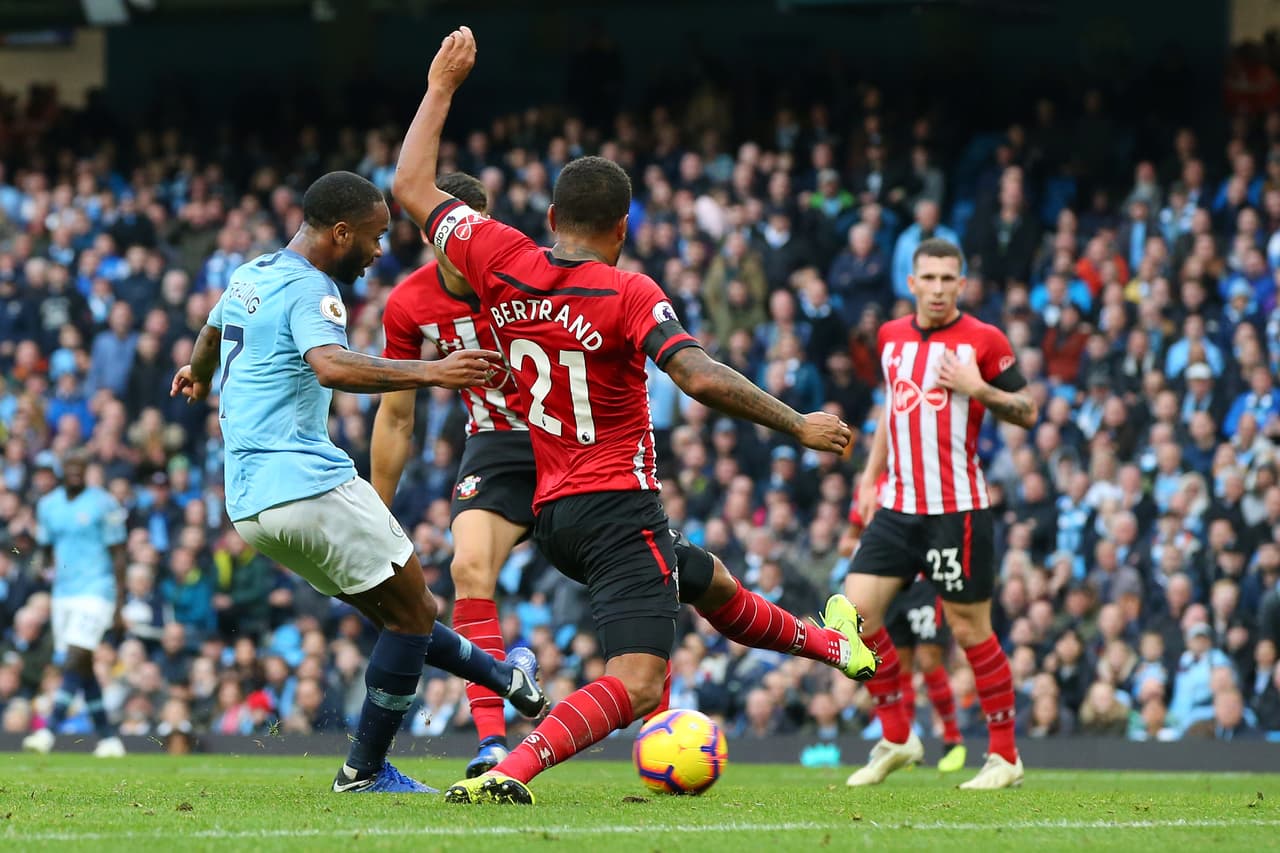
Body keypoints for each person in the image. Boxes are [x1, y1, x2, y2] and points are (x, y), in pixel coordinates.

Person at [392, 27, 878, 805]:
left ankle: (832, 642)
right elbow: (698, 375)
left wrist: (441, 86)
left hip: (556, 512)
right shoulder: (629, 291)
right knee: (643, 682)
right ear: (623, 229)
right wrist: (799, 424)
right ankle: (508, 770)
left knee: (705, 581)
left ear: (552, 214)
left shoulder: (498, 255)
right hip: (619, 503)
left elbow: (411, 183)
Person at [169, 170, 547, 794]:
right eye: (373, 238)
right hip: (303, 481)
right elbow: (332, 365)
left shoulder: (251, 273)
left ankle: (506, 681)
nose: (378, 252)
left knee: (405, 611)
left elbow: (211, 331)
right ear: (339, 232)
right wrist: (434, 373)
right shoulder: (314, 289)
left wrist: (197, 371)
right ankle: (363, 772)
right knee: (412, 616)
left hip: (250, 504)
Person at [843, 236, 1037, 790]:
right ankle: (899, 737)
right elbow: (892, 412)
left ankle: (1004, 756)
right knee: (854, 616)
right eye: (927, 278)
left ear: (962, 283)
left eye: (947, 279)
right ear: (911, 283)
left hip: (958, 510)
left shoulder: (984, 339)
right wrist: (868, 476)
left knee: (971, 630)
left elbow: (1027, 411)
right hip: (898, 505)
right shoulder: (890, 338)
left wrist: (979, 389)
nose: (937, 288)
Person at [372, 172, 535, 778]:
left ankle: (660, 714)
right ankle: (493, 743)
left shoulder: (529, 274)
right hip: (494, 444)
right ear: (430, 228)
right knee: (467, 569)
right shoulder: (410, 303)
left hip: (567, 438)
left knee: (617, 574)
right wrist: (376, 510)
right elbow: (395, 416)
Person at [838, 472, 965, 773]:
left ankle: (952, 739)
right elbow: (849, 538)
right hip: (885, 584)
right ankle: (906, 742)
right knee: (901, 663)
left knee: (929, 657)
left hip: (923, 582)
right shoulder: (869, 486)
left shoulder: (916, 477)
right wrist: (862, 550)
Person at [22, 451, 129, 758]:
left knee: (75, 655)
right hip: (64, 592)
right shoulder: (48, 506)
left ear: (87, 470)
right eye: (69, 467)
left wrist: (119, 604)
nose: (75, 472)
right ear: (61, 470)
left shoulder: (103, 502)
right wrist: (39, 565)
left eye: (80, 467)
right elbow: (45, 547)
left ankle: (48, 730)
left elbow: (119, 553)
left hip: (98, 589)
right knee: (82, 665)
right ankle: (108, 738)